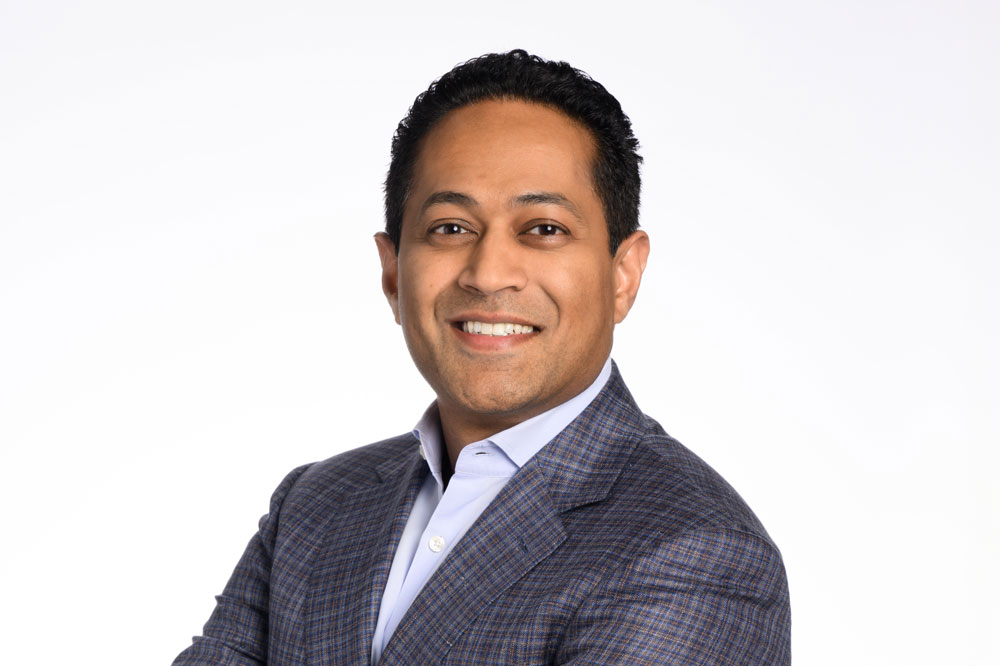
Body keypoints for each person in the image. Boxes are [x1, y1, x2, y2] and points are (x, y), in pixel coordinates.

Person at [173, 50, 791, 665]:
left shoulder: (696, 549)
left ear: (624, 274)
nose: (489, 271)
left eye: (544, 228)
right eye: (450, 228)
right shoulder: (316, 505)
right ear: (393, 274)